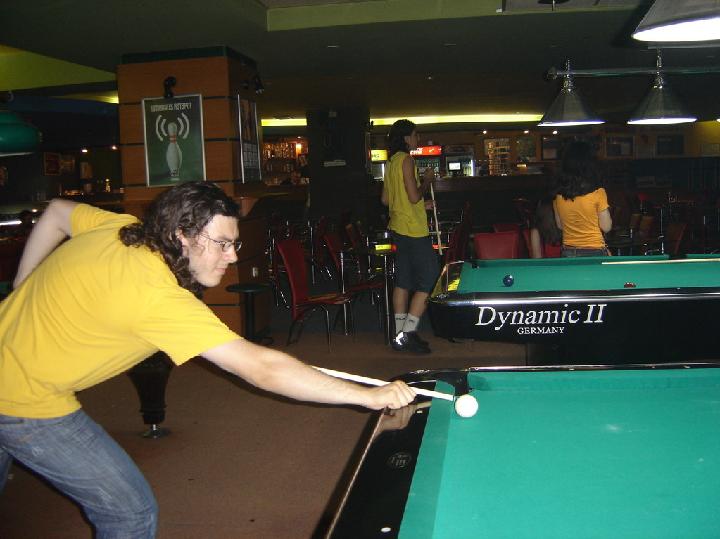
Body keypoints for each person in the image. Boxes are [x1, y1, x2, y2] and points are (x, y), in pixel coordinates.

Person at [0, 181, 415, 538]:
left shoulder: (122, 230)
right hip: (23, 401)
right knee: (130, 512)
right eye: (222, 243)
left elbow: (57, 213)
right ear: (181, 235)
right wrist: (367, 396)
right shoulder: (156, 297)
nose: (232, 256)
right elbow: (262, 368)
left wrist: (22, 283)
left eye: (235, 243)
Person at [381, 119, 438, 354]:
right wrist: (427, 181)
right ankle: (408, 332)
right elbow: (414, 196)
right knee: (431, 279)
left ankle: (399, 335)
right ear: (406, 138)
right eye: (415, 135)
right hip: (414, 230)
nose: (418, 138)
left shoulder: (392, 161)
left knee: (403, 282)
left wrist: (419, 206)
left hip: (398, 228)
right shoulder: (406, 160)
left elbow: (386, 199)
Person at [553, 141, 612, 257]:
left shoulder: (558, 196)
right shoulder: (598, 193)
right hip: (595, 251)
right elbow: (606, 227)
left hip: (568, 252)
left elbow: (560, 225)